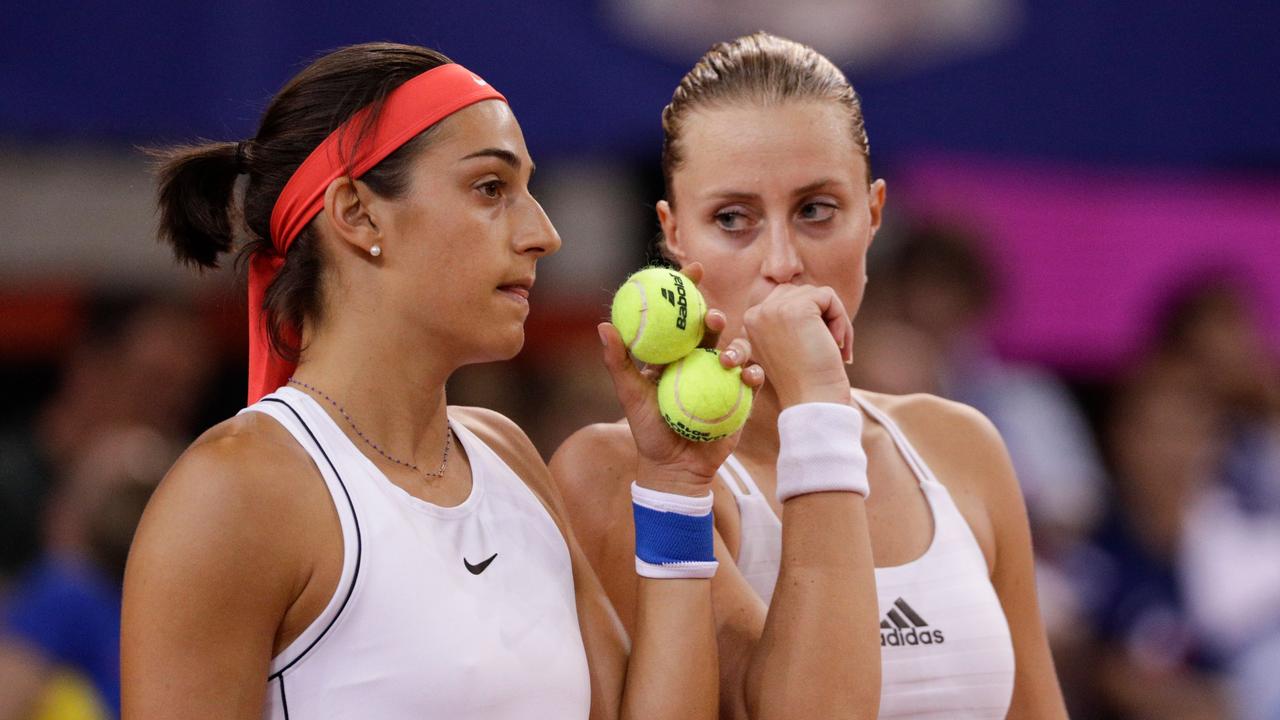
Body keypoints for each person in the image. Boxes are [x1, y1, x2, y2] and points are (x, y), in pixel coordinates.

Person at [123, 42, 747, 719]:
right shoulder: (234, 493)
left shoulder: (506, 455)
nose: (543, 233)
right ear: (358, 214)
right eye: (491, 188)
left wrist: (676, 491)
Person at [552, 32, 1068, 719]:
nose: (783, 262)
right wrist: (818, 409)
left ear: (874, 214)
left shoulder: (961, 446)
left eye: (816, 210)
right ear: (675, 236)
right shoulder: (618, 473)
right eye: (732, 219)